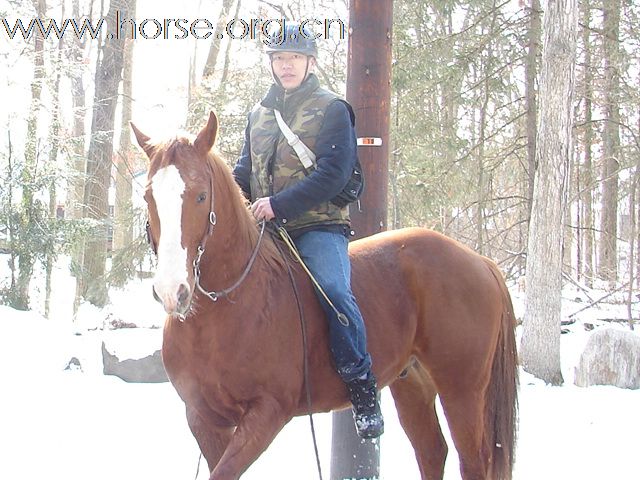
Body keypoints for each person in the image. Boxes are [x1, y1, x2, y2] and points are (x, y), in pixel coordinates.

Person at [232, 23, 384, 438]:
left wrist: (278, 204)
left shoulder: (333, 108)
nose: (286, 66)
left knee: (334, 292)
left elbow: (333, 175)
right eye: (279, 59)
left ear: (310, 62)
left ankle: (361, 384)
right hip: (267, 229)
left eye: (294, 58)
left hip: (318, 227)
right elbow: (245, 172)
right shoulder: (258, 115)